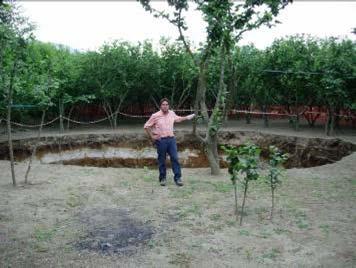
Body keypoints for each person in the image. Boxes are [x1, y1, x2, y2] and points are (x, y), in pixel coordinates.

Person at [144, 98, 195, 186]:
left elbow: (178, 119)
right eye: (163, 104)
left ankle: (178, 178)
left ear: (169, 106)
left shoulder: (172, 113)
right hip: (161, 141)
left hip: (171, 140)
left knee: (175, 158)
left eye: (166, 104)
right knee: (162, 160)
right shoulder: (155, 115)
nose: (165, 106)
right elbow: (146, 126)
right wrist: (152, 137)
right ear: (160, 106)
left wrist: (187, 117)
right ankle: (162, 178)